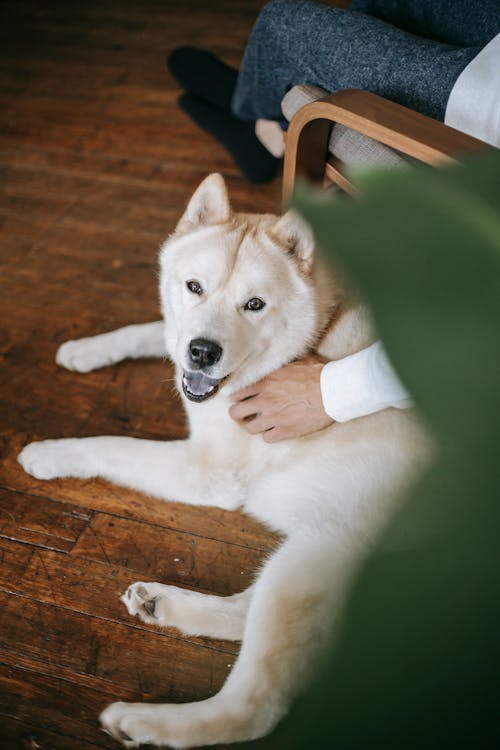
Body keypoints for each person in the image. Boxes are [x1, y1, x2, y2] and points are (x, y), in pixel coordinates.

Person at [167, 0, 500, 441]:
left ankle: (260, 123)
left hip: (480, 119)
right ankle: (263, 123)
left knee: (282, 25)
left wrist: (334, 392)